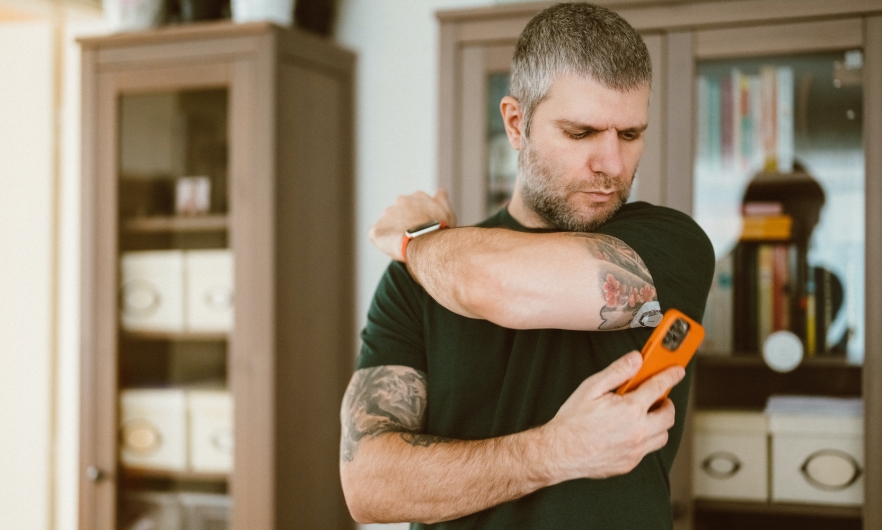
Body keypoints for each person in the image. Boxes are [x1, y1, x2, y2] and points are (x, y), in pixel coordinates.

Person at [339, 3, 715, 529]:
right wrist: (552, 452)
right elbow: (368, 485)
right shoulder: (417, 280)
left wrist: (414, 240)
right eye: (581, 133)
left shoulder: (670, 246)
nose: (611, 164)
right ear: (516, 124)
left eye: (630, 134)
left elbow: (491, 283)